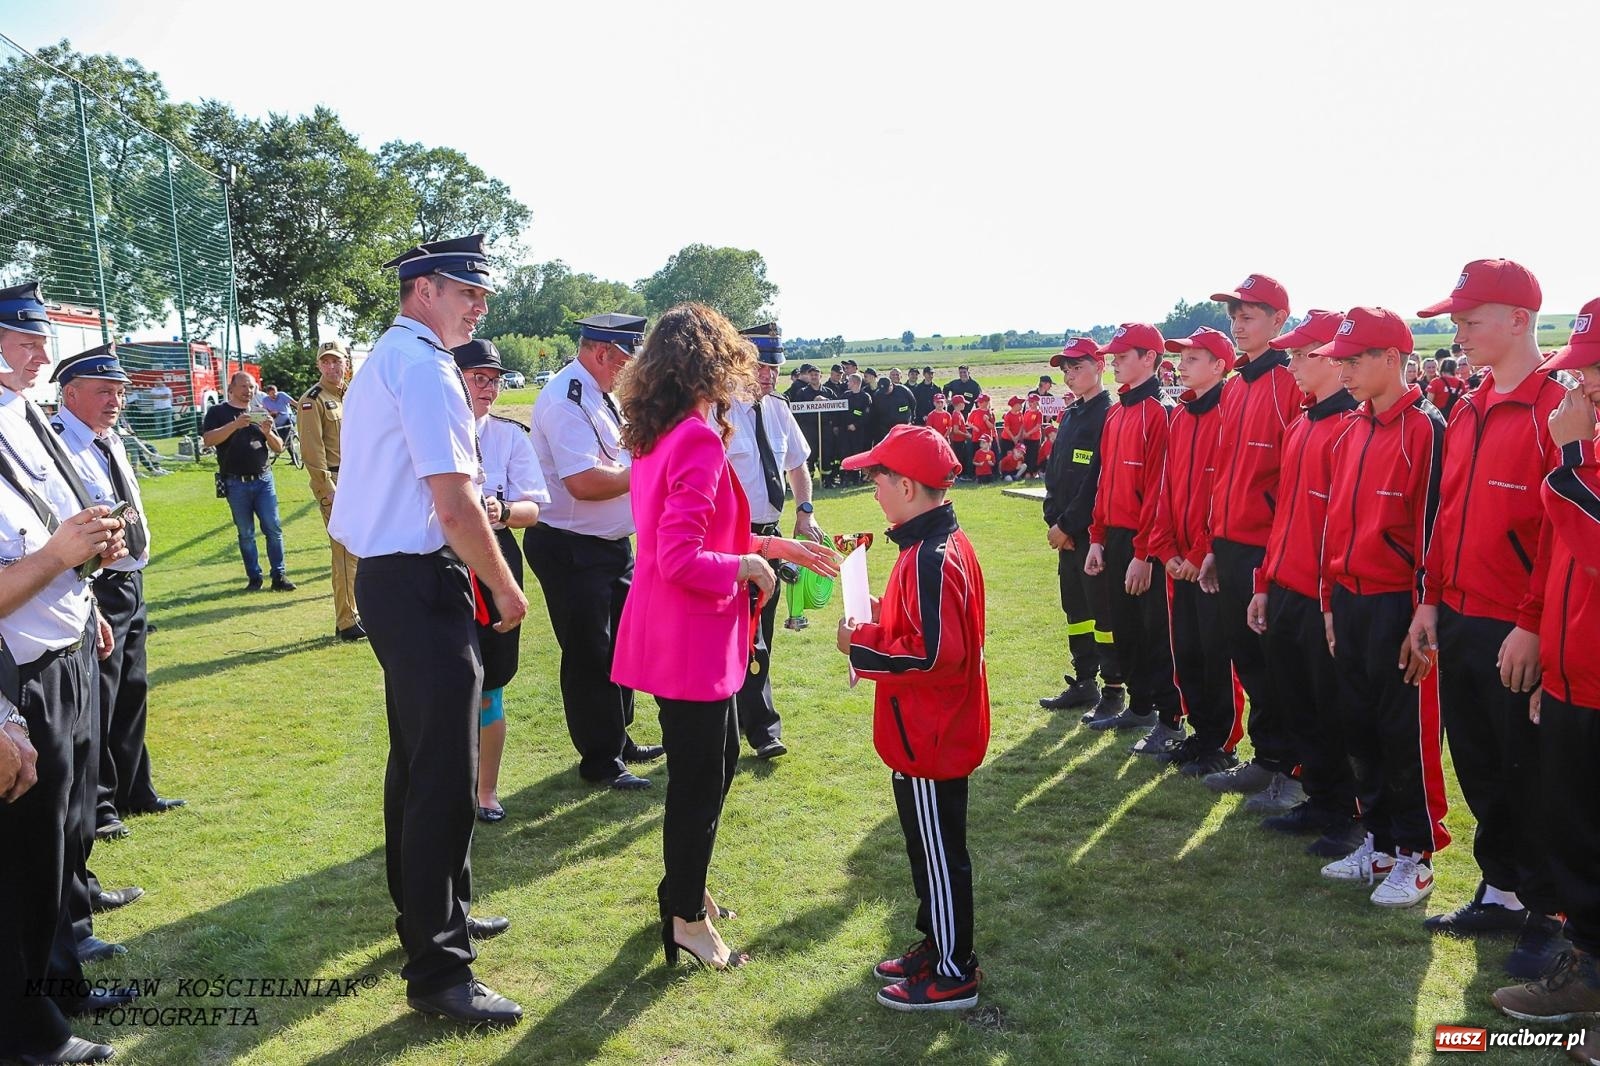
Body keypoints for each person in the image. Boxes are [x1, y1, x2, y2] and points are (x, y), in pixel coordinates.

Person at [327, 234, 524, 1026]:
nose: (477, 305)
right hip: (419, 579)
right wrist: (505, 586)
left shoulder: (396, 355)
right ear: (422, 290)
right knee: (440, 777)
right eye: (465, 291)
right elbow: (453, 503)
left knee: (418, 765)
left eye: (481, 293)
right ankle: (441, 971)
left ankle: (434, 914)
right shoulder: (425, 365)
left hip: (397, 581)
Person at [610, 303, 837, 971]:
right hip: (692, 640)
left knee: (713, 769)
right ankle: (683, 916)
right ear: (713, 364)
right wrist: (748, 565)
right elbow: (679, 557)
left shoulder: (663, 433)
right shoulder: (696, 439)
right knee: (700, 782)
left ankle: (686, 890)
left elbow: (701, 536)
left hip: (681, 634)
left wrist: (771, 546)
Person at [1407, 260, 1568, 975]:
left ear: (1519, 320)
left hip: (1520, 628)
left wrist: (1533, 624)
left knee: (1532, 775)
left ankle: (1552, 912)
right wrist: (1430, 598)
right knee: (1478, 762)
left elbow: (1563, 536)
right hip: (1461, 617)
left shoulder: (1556, 411)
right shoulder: (1469, 407)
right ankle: (1501, 891)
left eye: (1471, 320)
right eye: (1456, 321)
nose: (1458, 332)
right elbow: (1446, 514)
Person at [0, 281, 134, 1066]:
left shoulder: (25, 418)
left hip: (68, 640)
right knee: (26, 860)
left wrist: (87, 581)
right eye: (22, 339)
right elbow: (32, 556)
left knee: (69, 830)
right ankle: (26, 1035)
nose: (40, 355)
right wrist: (59, 555)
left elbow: (53, 535)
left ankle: (61, 981)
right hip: (20, 668)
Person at [836, 424, 989, 1012]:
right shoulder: (924, 544)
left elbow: (933, 653)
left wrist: (861, 647)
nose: (872, 487)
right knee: (928, 849)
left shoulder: (931, 554)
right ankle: (937, 943)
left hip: (931, 735)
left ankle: (954, 970)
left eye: (877, 478)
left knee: (940, 854)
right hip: (926, 730)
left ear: (905, 485)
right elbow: (927, 630)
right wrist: (877, 614)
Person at [1489, 308, 1600, 1047]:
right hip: (1573, 680)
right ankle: (1588, 975)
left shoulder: (1576, 452)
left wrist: (1570, 457)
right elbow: (1559, 557)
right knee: (1579, 844)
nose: (1579, 383)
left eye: (1593, 371)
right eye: (1581, 368)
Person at [1315, 306, 1448, 908]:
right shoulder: (1352, 429)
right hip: (1350, 600)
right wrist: (1327, 601)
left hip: (1398, 603)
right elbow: (1332, 524)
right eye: (1339, 359)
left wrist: (1425, 608)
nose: (1342, 369)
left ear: (1392, 359)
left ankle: (1417, 854)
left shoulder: (1426, 428)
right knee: (1360, 727)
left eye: (1354, 358)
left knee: (1405, 732)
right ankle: (1382, 842)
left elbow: (1431, 527)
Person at [50, 346, 185, 849]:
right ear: (71, 394)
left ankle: (133, 788)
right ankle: (101, 805)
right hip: (91, 582)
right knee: (98, 698)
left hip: (128, 578)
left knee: (131, 687)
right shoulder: (59, 442)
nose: (116, 400)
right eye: (104, 391)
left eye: (120, 392)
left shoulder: (107, 439)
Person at [525, 313, 662, 790]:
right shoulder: (568, 399)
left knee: (623, 645)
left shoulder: (602, 394)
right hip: (570, 546)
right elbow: (583, 483)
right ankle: (600, 760)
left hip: (609, 544)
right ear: (603, 352)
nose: (632, 369)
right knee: (590, 654)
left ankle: (617, 739)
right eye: (627, 358)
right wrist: (652, 473)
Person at [1246, 310, 1363, 857]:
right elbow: (1284, 516)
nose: (1290, 363)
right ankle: (1318, 798)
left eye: (1300, 354)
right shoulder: (1302, 424)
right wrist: (1265, 583)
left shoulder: (1349, 429)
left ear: (1333, 359)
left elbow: (1345, 527)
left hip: (1325, 596)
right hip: (1287, 587)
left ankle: (1347, 812)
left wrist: (1328, 597)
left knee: (1331, 703)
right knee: (1299, 701)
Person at [1201, 274, 1304, 810]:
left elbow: (1293, 478)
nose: (1239, 323)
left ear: (1279, 322)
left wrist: (1272, 551)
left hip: (1270, 550)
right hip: (1232, 543)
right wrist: (1216, 540)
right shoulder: (1237, 384)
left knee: (1276, 661)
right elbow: (1224, 472)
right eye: (1235, 314)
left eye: (1251, 314)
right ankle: (1267, 760)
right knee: (1249, 659)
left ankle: (1293, 771)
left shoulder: (1290, 383)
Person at [451, 340, 549, 824]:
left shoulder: (510, 437)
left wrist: (504, 510)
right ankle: (451, 789)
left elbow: (535, 508)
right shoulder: (431, 429)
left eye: (493, 379)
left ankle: (485, 790)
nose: (488, 388)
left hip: (496, 556)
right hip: (443, 557)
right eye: (478, 378)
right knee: (449, 683)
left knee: (492, 685)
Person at [727, 323, 823, 759]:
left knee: (760, 635)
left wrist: (805, 512)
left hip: (771, 536)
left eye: (775, 368)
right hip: (730, 541)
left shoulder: (779, 409)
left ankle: (763, 730)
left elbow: (798, 466)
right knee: (730, 637)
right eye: (762, 366)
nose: (770, 376)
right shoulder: (718, 411)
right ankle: (732, 726)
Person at [1083, 324, 1182, 736]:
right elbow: (1105, 482)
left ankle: (1169, 718)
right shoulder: (1116, 412)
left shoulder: (1161, 413)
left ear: (1149, 359)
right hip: (1117, 537)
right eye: (1114, 356)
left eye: (1123, 356)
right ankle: (1139, 706)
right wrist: (1096, 537)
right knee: (1125, 628)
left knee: (1156, 630)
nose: (1115, 362)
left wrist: (1143, 554)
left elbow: (1160, 492)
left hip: (1149, 542)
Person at [1147, 327, 1237, 762]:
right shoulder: (1180, 417)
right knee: (1186, 648)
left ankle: (1222, 743)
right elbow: (1166, 489)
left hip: (1208, 562)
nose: (1181, 366)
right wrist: (1167, 553)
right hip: (1178, 559)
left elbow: (1224, 493)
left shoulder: (1229, 414)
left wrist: (1199, 555)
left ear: (1220, 366)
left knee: (1216, 651)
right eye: (1181, 358)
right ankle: (1200, 733)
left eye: (1193, 359)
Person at [1039, 339, 1125, 722]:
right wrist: (1053, 520)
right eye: (1066, 370)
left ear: (1100, 365)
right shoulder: (1072, 414)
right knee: (1075, 609)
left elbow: (1096, 481)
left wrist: (1069, 525)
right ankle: (1085, 680)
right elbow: (1056, 475)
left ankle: (1114, 689)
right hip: (1066, 534)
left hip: (1092, 535)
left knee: (1102, 612)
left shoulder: (1109, 414)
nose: (1070, 376)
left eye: (1077, 367)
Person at [201, 373, 295, 592]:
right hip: (235, 482)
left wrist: (268, 432)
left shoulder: (259, 412)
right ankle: (254, 578)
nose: (248, 391)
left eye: (252, 387)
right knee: (246, 533)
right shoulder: (218, 412)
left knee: (273, 528)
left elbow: (279, 447)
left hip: (263, 480)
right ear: (231, 388)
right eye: (243, 386)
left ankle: (279, 576)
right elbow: (208, 440)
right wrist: (235, 425)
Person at [298, 340, 363, 640]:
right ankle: (347, 620)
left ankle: (359, 611)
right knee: (344, 553)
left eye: (337, 361)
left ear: (346, 363)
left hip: (361, 481)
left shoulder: (354, 395)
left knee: (361, 550)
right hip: (337, 483)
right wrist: (327, 489)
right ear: (318, 366)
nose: (333, 367)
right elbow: (313, 452)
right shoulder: (313, 401)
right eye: (326, 362)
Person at [841, 373, 872, 482]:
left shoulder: (865, 397)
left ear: (855, 382)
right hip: (845, 431)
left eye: (849, 381)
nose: (847, 383)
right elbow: (840, 411)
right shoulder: (845, 395)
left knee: (857, 453)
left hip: (859, 431)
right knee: (846, 452)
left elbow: (867, 415)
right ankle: (846, 476)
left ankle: (856, 477)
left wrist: (856, 425)